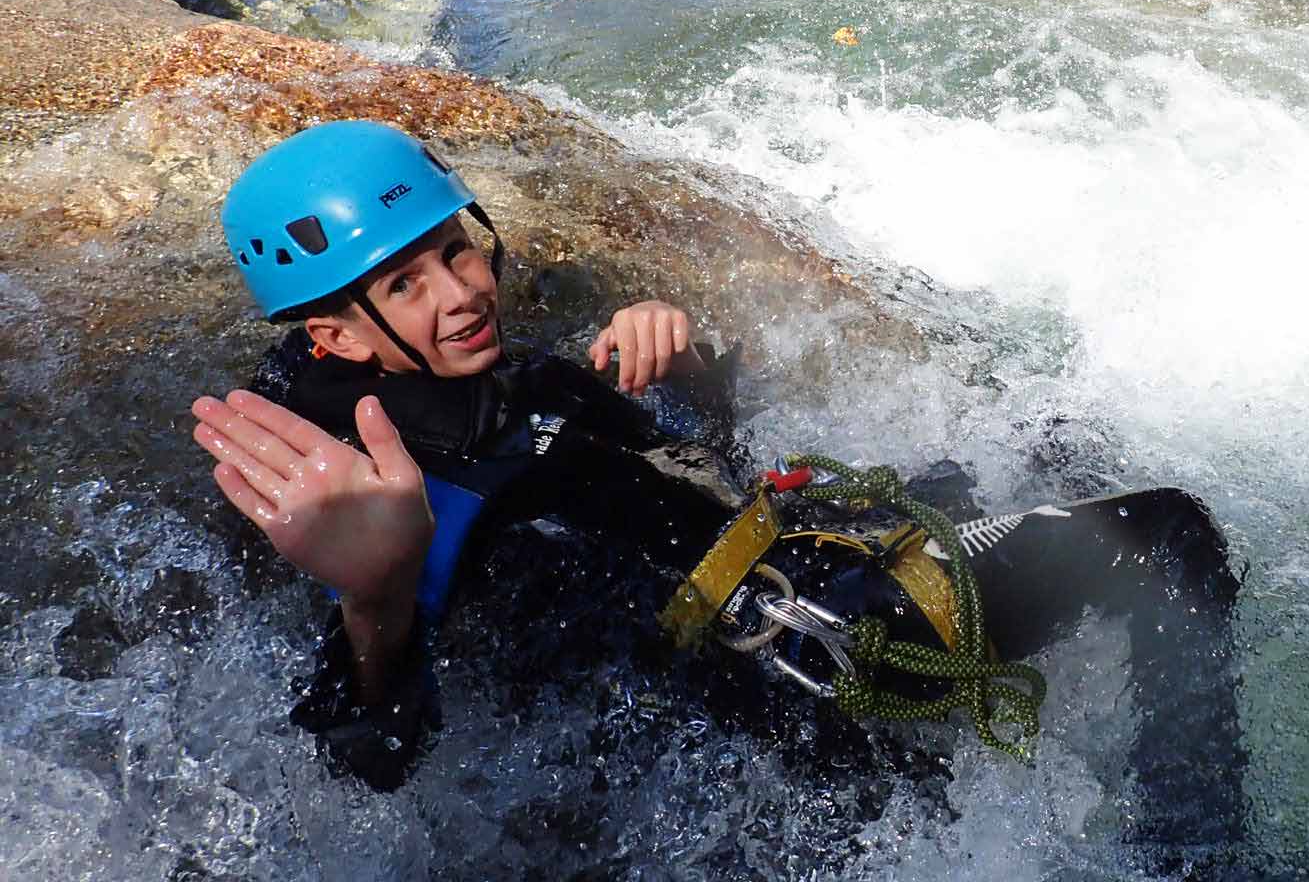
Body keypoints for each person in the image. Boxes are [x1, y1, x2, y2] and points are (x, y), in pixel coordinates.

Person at [187, 121, 1251, 863]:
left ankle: (1177, 824)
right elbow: (363, 761)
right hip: (767, 694)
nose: (463, 291)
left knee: (1059, 442)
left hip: (786, 600)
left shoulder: (505, 386)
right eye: (405, 283)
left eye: (456, 250)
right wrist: (374, 599)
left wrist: (684, 366)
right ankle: (1198, 854)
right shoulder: (379, 485)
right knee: (1165, 535)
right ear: (330, 332)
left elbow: (692, 465)